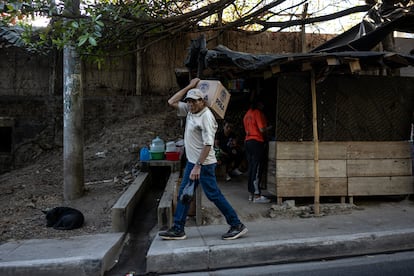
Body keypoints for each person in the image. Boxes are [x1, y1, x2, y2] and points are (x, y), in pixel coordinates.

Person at [159, 78, 248, 240]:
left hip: (204, 165)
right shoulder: (190, 111)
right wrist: (191, 86)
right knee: (185, 194)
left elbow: (208, 145)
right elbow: (171, 101)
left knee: (214, 195)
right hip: (194, 163)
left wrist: (198, 166)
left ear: (202, 102)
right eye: (189, 102)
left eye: (194, 102)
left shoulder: (206, 117)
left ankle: (236, 225)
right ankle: (178, 228)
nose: (190, 105)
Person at [243, 99, 271, 203]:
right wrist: (269, 128)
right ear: (258, 104)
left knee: (251, 167)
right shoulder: (257, 113)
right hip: (256, 141)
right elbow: (261, 129)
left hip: (248, 141)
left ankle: (251, 194)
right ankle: (257, 195)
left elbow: (246, 130)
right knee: (257, 167)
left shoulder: (246, 114)